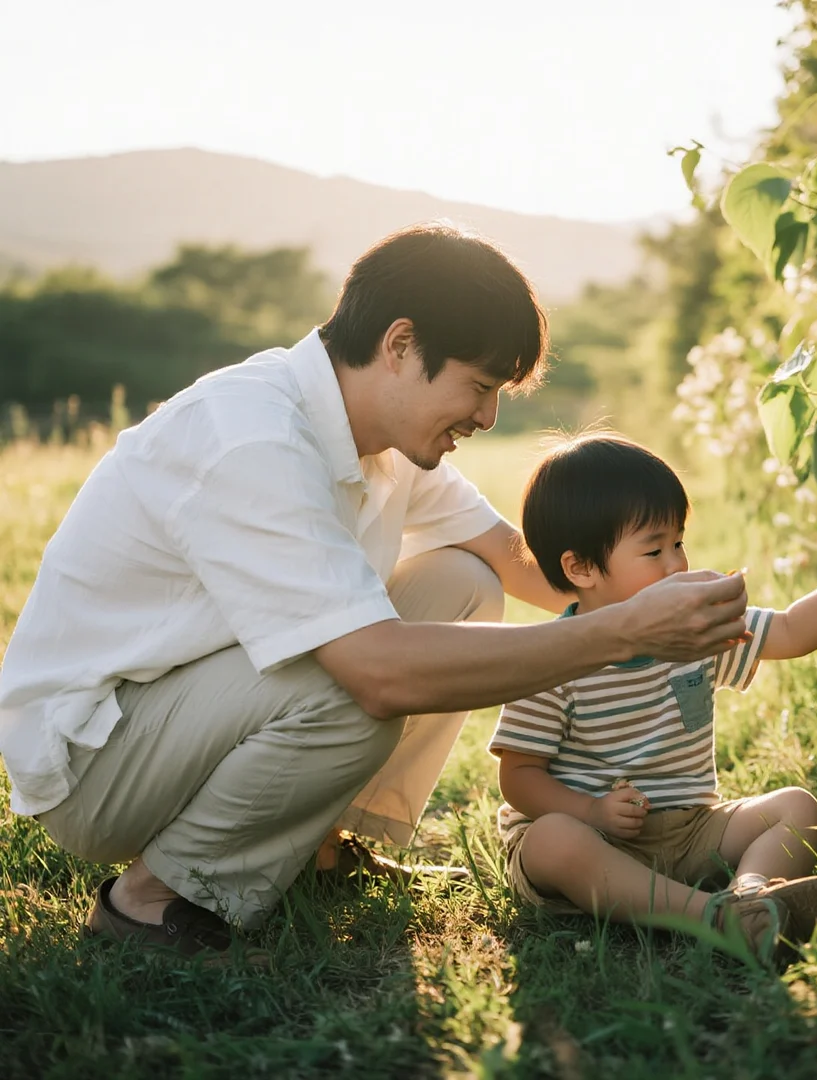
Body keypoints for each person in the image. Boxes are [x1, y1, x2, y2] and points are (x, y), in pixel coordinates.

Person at [0, 225, 751, 962]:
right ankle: (157, 900)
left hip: (185, 713)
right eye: (480, 386)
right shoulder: (253, 438)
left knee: (463, 583)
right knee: (358, 689)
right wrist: (622, 634)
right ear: (400, 346)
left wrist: (653, 585)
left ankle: (320, 849)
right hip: (99, 759)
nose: (488, 418)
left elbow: (519, 562)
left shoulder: (386, 439)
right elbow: (379, 671)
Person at [488, 433, 817, 961]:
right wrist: (590, 811)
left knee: (798, 807)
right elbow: (518, 777)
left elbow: (794, 631)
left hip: (687, 832)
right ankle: (710, 918)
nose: (677, 564)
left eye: (679, 543)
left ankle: (751, 898)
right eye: (654, 550)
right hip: (596, 842)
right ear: (582, 569)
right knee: (552, 841)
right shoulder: (553, 661)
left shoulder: (695, 631)